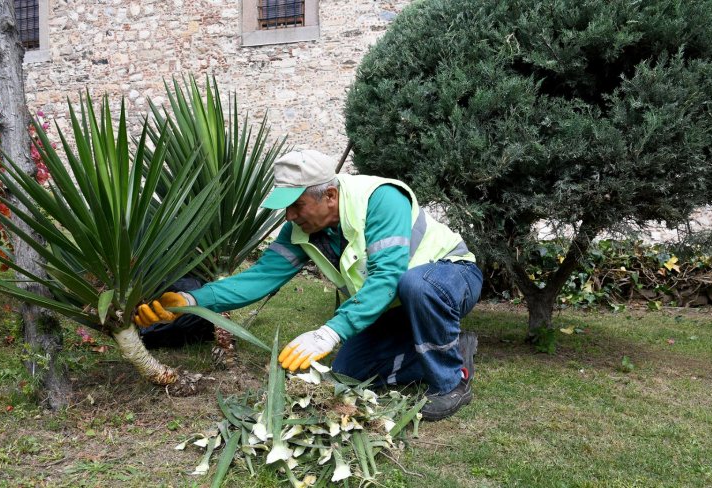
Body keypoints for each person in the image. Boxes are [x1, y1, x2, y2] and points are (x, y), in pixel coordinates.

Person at [134, 150, 483, 421]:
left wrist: (328, 333)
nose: (289, 217)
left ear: (329, 195)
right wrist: (190, 298)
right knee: (348, 373)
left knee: (413, 283)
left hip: (448, 278)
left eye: (296, 206)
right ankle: (450, 345)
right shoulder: (301, 230)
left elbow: (386, 277)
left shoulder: (380, 199)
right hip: (395, 306)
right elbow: (259, 278)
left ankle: (452, 381)